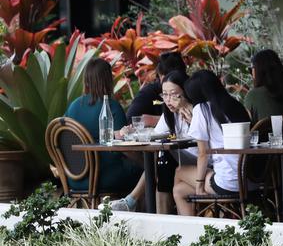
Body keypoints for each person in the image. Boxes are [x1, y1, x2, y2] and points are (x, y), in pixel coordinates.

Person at [111, 70, 195, 212]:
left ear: (185, 91)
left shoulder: (197, 111)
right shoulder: (169, 114)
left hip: (203, 164)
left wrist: (192, 120)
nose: (168, 100)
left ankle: (130, 201)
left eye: (173, 94)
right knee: (161, 162)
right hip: (183, 163)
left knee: (162, 162)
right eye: (165, 95)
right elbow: (155, 137)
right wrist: (131, 132)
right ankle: (156, 220)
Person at [172, 70, 250, 216]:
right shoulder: (234, 104)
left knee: (179, 171)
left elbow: (203, 154)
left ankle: (193, 227)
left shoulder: (202, 109)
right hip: (248, 179)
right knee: (179, 191)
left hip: (227, 183)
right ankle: (198, 225)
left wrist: (200, 186)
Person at [64, 58, 141, 192]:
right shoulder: (111, 107)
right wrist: (143, 162)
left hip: (75, 178)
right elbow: (124, 147)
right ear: (108, 80)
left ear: (86, 79)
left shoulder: (73, 106)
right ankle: (138, 209)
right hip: (106, 177)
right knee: (143, 170)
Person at [126, 51, 187, 127]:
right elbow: (131, 120)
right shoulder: (148, 93)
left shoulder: (190, 89)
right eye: (165, 94)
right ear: (161, 77)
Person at [244, 49, 283, 124]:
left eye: (251, 70)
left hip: (265, 135)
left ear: (258, 71)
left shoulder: (252, 96)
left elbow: (246, 128)